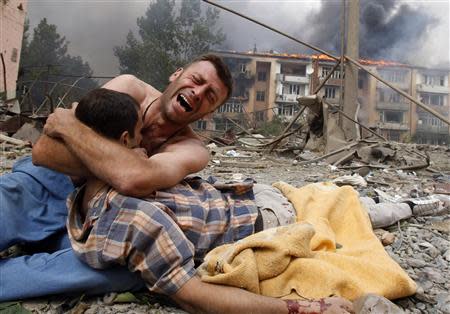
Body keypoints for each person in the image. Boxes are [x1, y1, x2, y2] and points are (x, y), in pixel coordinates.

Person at [0, 55, 353, 313]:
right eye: (196, 80)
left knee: (120, 271)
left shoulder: (191, 149)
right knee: (12, 200)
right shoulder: (128, 90)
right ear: (177, 74)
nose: (198, 93)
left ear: (208, 113)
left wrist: (68, 126)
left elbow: (134, 179)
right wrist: (119, 161)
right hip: (51, 185)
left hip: (100, 212)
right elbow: (44, 153)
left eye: (210, 96)